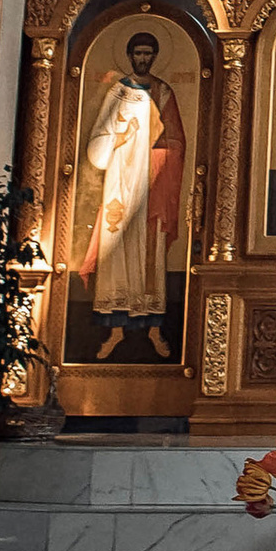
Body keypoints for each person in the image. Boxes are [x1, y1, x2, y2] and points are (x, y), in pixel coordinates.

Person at [81, 29, 186, 356]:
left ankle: (153, 330)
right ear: (129, 55)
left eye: (148, 53)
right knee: (117, 253)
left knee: (150, 254)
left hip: (151, 187)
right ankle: (114, 331)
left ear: (154, 56)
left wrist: (154, 151)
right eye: (138, 53)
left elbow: (177, 141)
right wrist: (119, 140)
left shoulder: (163, 92)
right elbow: (98, 143)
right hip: (120, 185)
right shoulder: (118, 92)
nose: (143, 59)